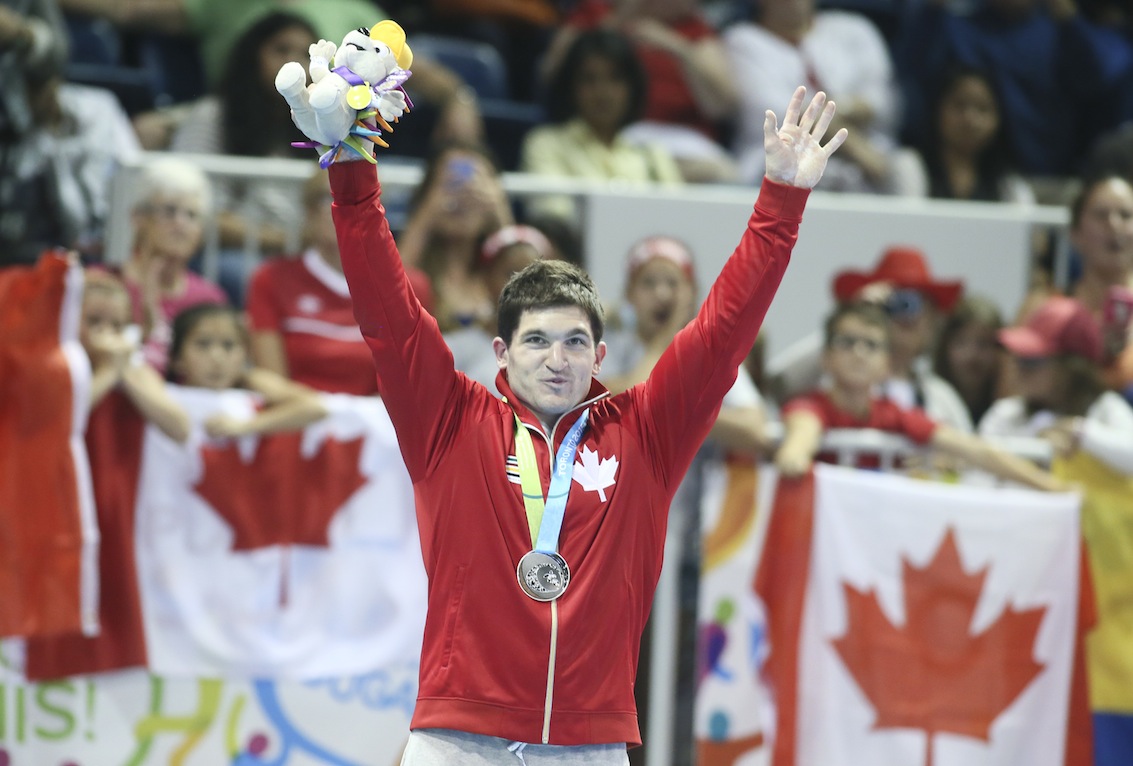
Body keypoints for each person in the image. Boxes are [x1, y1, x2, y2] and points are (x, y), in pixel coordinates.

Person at [318, 85, 845, 760]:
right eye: (536, 341)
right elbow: (386, 311)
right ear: (502, 353)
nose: (556, 359)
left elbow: (722, 332)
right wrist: (349, 165)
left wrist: (780, 200)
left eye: (573, 343)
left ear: (599, 355)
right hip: (457, 736)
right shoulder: (450, 422)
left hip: (588, 743)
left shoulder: (645, 433)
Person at [773, 301, 1066, 489]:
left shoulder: (893, 414)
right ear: (825, 358)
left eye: (871, 345)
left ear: (887, 365)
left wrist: (1047, 485)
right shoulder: (810, 406)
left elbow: (974, 449)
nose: (859, 353)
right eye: (847, 342)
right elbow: (802, 432)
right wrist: (794, 455)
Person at [246, 171, 434, 396]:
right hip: (298, 417)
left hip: (380, 423)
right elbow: (273, 382)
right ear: (309, 211)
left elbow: (413, 382)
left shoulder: (411, 286)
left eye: (356, 198)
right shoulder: (271, 279)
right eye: (329, 198)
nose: (341, 208)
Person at [724, 0, 920, 193]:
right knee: (820, 174)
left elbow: (882, 102)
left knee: (907, 167)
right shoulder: (742, 41)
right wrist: (858, 151)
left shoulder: (855, 29)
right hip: (784, 161)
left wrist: (839, 111)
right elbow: (785, 117)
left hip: (872, 154)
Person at [521, 28, 683, 220]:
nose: (603, 92)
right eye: (589, 79)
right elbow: (554, 221)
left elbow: (679, 223)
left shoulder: (653, 155)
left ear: (633, 87)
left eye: (615, 78)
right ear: (570, 86)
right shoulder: (545, 144)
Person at [981, 296, 1133, 474]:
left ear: (1072, 368)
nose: (1020, 369)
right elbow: (978, 474)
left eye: (1031, 361)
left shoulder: (1106, 409)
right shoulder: (1006, 413)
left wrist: (1080, 434)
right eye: (1019, 359)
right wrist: (1037, 442)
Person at [116, 156, 227, 373]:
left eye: (192, 215)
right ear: (138, 217)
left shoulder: (209, 300)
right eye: (169, 211)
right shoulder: (106, 283)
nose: (180, 223)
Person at [398, 143, 515, 331]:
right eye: (451, 182)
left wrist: (501, 215)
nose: (464, 196)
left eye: (477, 184)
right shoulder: (418, 273)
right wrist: (426, 216)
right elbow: (388, 294)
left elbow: (529, 298)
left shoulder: (497, 274)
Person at [166, 302, 327, 435]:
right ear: (176, 358)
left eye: (228, 345)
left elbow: (315, 407)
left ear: (245, 355)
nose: (217, 357)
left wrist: (245, 427)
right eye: (203, 344)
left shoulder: (250, 380)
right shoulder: (162, 394)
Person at [444, 223, 553, 389]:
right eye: (511, 273)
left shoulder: (568, 348)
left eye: (535, 275)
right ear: (486, 279)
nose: (524, 284)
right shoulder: (452, 349)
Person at [911, 65, 1035, 203]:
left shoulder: (1010, 188)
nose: (970, 119)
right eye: (960, 105)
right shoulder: (911, 168)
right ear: (937, 109)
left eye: (982, 109)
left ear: (999, 119)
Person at [932, 294, 1006, 427]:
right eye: (961, 342)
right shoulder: (927, 396)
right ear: (944, 346)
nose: (971, 355)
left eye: (983, 344)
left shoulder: (1008, 407)